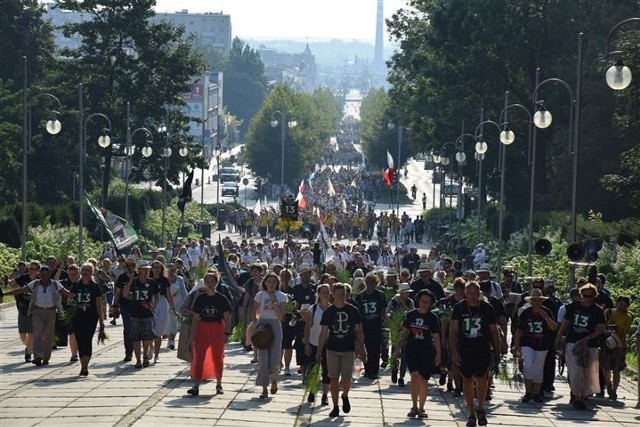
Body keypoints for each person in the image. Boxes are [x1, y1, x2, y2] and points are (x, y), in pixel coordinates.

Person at [450, 281, 500, 427]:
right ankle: (471, 412)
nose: (473, 296)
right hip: (464, 349)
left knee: (482, 378)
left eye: (475, 293)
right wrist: (454, 351)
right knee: (467, 380)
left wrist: (497, 350)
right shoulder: (459, 308)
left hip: (482, 348)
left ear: (480, 293)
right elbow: (453, 331)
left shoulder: (487, 308)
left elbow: (494, 331)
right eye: (470, 293)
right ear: (465, 294)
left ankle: (480, 407)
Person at [2, 265, 72, 366]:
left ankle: (46, 357)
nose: (44, 277)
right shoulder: (35, 284)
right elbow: (22, 290)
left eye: (46, 274)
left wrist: (78, 295)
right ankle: (38, 356)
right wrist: (4, 294)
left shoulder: (55, 284)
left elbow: (66, 293)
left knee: (48, 336)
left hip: (51, 312)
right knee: (37, 334)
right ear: (40, 274)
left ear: (49, 275)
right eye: (42, 274)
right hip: (37, 312)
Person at [317, 283, 366, 418]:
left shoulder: (352, 310)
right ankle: (335, 406)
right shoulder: (329, 312)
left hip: (348, 348)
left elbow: (359, 330)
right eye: (338, 294)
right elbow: (323, 332)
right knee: (333, 378)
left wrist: (362, 347)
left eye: (343, 294)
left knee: (346, 378)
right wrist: (319, 349)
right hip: (332, 348)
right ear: (333, 294)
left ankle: (345, 395)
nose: (341, 296)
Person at [555, 283, 605, 410]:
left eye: (591, 295)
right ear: (581, 295)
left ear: (595, 296)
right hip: (573, 341)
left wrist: (587, 338)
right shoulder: (573, 307)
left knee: (588, 372)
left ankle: (582, 397)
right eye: (585, 294)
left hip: (590, 344)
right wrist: (559, 336)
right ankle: (576, 395)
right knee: (575, 370)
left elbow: (600, 329)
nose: (588, 297)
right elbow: (566, 322)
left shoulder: (598, 310)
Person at [181, 271, 232, 397]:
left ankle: (219, 384)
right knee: (199, 357)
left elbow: (227, 317)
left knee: (217, 357)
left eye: (212, 282)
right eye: (207, 281)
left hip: (217, 328)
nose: (209, 284)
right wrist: (192, 336)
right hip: (202, 328)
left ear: (216, 283)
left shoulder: (221, 298)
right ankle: (196, 385)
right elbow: (196, 317)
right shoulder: (200, 298)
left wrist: (226, 333)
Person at [397, 289, 442, 419]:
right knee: (414, 376)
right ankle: (414, 406)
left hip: (426, 351)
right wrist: (398, 348)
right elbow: (404, 332)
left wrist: (438, 354)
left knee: (424, 379)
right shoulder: (411, 315)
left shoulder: (432, 318)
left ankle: (422, 407)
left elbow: (436, 337)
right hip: (412, 349)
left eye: (427, 302)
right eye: (422, 301)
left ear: (430, 303)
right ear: (418, 300)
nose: (424, 303)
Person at [512, 288, 557, 403]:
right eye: (534, 300)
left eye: (539, 300)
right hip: (528, 341)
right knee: (528, 365)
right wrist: (516, 345)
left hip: (542, 343)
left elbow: (554, 328)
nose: (536, 302)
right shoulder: (526, 313)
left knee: (538, 368)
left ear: (542, 300)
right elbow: (518, 330)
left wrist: (545, 317)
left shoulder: (546, 311)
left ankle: (536, 393)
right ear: (531, 300)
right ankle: (528, 392)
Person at [67, 263, 105, 376]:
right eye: (83, 270)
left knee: (87, 340)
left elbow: (98, 305)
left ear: (92, 272)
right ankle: (82, 363)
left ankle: (85, 366)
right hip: (77, 318)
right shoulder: (76, 285)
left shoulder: (95, 286)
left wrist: (101, 321)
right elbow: (70, 300)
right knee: (79, 340)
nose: (85, 272)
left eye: (88, 270)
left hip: (91, 317)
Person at [253, 272, 286, 399]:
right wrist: (257, 325)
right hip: (263, 326)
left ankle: (274, 381)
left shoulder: (281, 296)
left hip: (275, 326)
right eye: (269, 282)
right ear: (265, 283)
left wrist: (274, 302)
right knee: (263, 359)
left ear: (277, 283)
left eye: (274, 282)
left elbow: (281, 316)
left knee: (274, 358)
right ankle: (264, 388)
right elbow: (254, 313)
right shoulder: (260, 295)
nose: (271, 284)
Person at [122, 260, 160, 369]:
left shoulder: (152, 282)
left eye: (148, 269)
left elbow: (157, 294)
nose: (147, 271)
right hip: (135, 313)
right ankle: (138, 360)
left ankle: (145, 357)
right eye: (145, 269)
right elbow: (124, 295)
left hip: (147, 313)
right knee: (136, 338)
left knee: (147, 337)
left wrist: (154, 304)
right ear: (139, 270)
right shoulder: (134, 282)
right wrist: (130, 282)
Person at [303, 283, 332, 405]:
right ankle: (312, 391)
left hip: (329, 344)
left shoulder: (333, 309)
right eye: (323, 292)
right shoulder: (313, 309)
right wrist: (306, 344)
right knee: (314, 369)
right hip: (314, 343)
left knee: (327, 370)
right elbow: (307, 327)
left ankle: (325, 395)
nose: (325, 294)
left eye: (327, 292)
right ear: (318, 294)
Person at [355, 272, 386, 379]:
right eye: (368, 281)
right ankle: (367, 369)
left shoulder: (380, 295)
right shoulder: (360, 296)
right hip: (365, 326)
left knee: (376, 349)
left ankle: (374, 370)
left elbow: (383, 310)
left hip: (376, 325)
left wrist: (384, 321)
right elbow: (358, 312)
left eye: (373, 282)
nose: (370, 284)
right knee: (365, 348)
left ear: (376, 283)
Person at [601, 296, 632, 400]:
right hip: (607, 342)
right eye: (620, 303)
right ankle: (608, 384)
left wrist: (621, 346)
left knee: (616, 369)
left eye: (624, 305)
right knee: (606, 367)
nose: (621, 306)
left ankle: (614, 390)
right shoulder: (608, 312)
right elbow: (602, 325)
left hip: (619, 344)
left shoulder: (628, 317)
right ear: (616, 303)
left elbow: (625, 332)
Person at [9, 260, 40, 362]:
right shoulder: (23, 278)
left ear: (38, 271)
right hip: (22, 308)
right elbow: (11, 283)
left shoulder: (40, 281)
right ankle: (30, 348)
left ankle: (28, 353)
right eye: (30, 268)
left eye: (34, 269)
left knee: (31, 332)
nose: (31, 270)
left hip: (34, 309)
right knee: (22, 334)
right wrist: (10, 279)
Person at [386, 282, 415, 386]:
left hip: (406, 330)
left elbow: (412, 313)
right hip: (395, 330)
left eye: (408, 292)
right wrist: (393, 322)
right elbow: (388, 313)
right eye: (406, 292)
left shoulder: (410, 302)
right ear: (401, 293)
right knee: (394, 351)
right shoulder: (393, 302)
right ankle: (394, 369)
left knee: (404, 354)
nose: (408, 294)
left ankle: (402, 376)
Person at [149, 261, 176, 363]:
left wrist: (172, 307)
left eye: (158, 267)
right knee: (149, 329)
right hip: (149, 302)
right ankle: (150, 346)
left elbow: (168, 294)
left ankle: (156, 354)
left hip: (161, 303)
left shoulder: (164, 280)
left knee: (158, 330)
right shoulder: (148, 280)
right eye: (154, 267)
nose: (156, 269)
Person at [166, 264, 188, 350]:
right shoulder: (164, 279)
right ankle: (168, 339)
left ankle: (171, 341)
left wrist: (186, 303)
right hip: (166, 302)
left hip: (178, 302)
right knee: (167, 322)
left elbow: (184, 291)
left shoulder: (179, 279)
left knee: (174, 322)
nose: (172, 272)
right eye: (170, 270)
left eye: (174, 270)